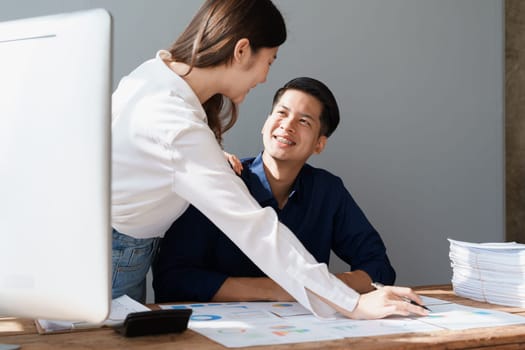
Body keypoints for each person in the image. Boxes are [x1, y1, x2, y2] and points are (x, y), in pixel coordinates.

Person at [111, 0, 428, 320]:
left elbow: (377, 263)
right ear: (242, 50)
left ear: (320, 142)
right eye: (270, 61)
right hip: (115, 257)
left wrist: (198, 155)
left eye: (304, 121)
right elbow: (254, 229)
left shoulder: (156, 81)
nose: (264, 78)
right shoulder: (177, 124)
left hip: (124, 252)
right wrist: (351, 303)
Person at [153, 77, 396, 303]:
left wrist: (322, 286)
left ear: (319, 143)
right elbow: (172, 279)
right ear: (266, 123)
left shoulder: (327, 191)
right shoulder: (221, 179)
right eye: (281, 113)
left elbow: (379, 268)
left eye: (304, 121)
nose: (287, 126)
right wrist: (280, 289)